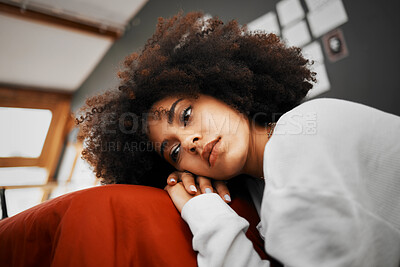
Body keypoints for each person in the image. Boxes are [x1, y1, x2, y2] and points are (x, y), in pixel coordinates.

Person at [77, 12, 400, 266]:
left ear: (223, 92)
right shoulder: (263, 186)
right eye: (174, 151)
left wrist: (204, 215)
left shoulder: (301, 139)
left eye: (186, 116)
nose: (190, 142)